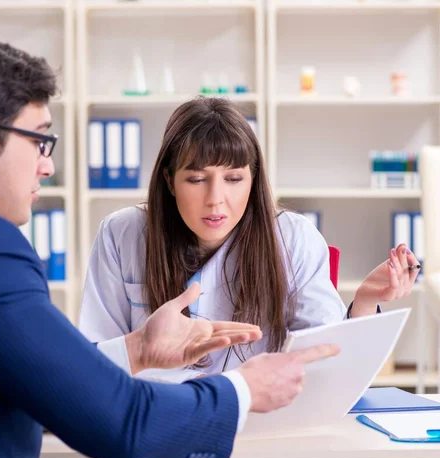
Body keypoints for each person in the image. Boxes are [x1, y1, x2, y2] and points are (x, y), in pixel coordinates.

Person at [0, 31, 339, 458]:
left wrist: (140, 349)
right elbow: (120, 422)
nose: (47, 166)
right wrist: (246, 388)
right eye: (39, 140)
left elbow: (20, 378)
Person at [78, 96, 420, 383]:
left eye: (234, 178)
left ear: (252, 179)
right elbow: (94, 365)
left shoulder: (293, 238)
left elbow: (327, 365)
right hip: (155, 427)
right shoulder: (121, 235)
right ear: (169, 180)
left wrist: (362, 303)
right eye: (197, 179)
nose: (216, 199)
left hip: (262, 430)